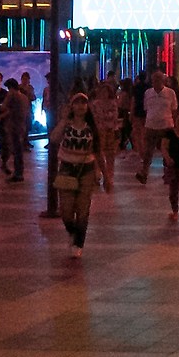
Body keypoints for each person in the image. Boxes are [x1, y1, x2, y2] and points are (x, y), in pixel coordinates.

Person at [50, 91, 107, 256]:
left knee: (83, 209)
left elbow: (98, 152)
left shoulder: (91, 128)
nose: (81, 106)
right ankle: (73, 231)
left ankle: (78, 243)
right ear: (72, 106)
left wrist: (106, 176)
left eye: (84, 103)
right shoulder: (66, 125)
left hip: (86, 169)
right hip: (67, 168)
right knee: (66, 211)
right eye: (77, 103)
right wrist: (63, 120)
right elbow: (54, 138)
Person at [136, 68, 177, 183]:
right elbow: (146, 108)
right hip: (151, 125)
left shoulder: (170, 93)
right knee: (148, 151)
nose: (156, 82)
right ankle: (144, 173)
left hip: (166, 125)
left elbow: (174, 109)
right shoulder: (148, 93)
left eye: (158, 79)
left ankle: (168, 174)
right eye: (154, 80)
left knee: (166, 152)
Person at [3, 74, 33, 181]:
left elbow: (3, 107)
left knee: (15, 150)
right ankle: (19, 172)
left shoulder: (12, 95)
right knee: (18, 150)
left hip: (14, 125)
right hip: (22, 125)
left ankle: (18, 174)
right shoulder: (24, 97)